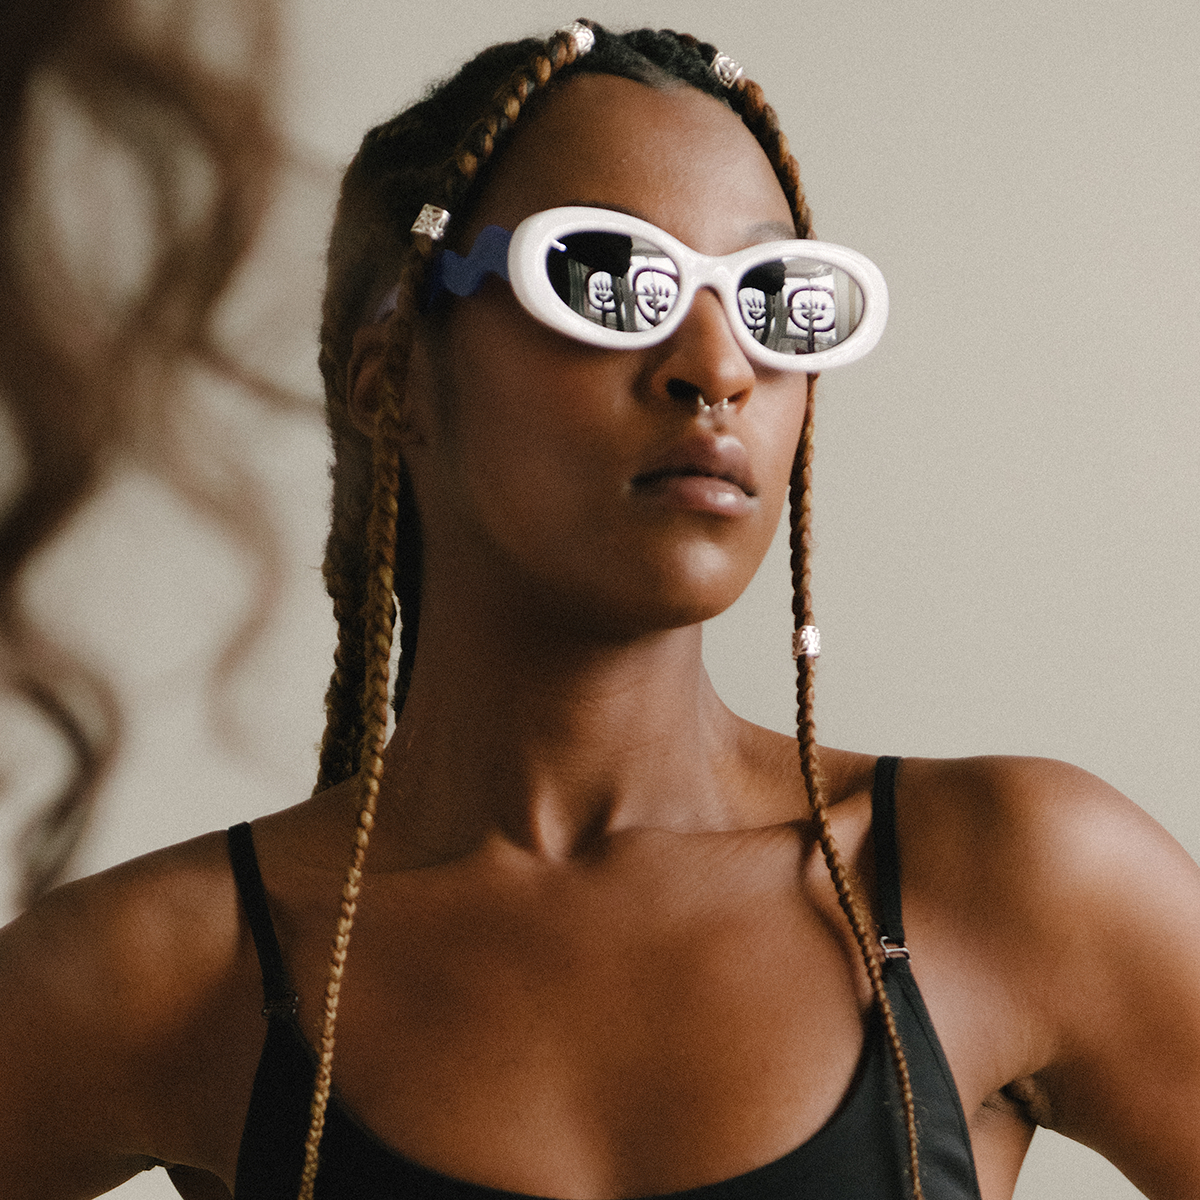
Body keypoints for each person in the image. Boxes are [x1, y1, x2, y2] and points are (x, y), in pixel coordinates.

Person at [2, 19, 1199, 1200]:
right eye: (609, 280)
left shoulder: (1013, 881)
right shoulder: (173, 969)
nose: (717, 368)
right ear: (393, 381)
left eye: (774, 299)